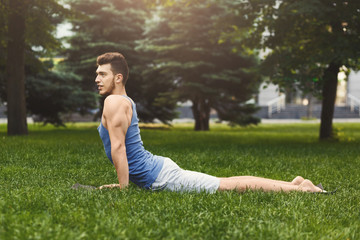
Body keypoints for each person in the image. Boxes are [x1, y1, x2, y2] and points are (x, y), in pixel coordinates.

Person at [95, 52, 324, 194]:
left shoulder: (114, 101)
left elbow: (119, 148)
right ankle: (294, 185)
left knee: (230, 186)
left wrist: (123, 188)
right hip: (157, 170)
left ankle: (301, 191)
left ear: (118, 78)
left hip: (160, 177)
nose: (97, 79)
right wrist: (123, 183)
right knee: (226, 181)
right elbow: (124, 148)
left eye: (102, 74)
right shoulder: (123, 101)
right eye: (96, 74)